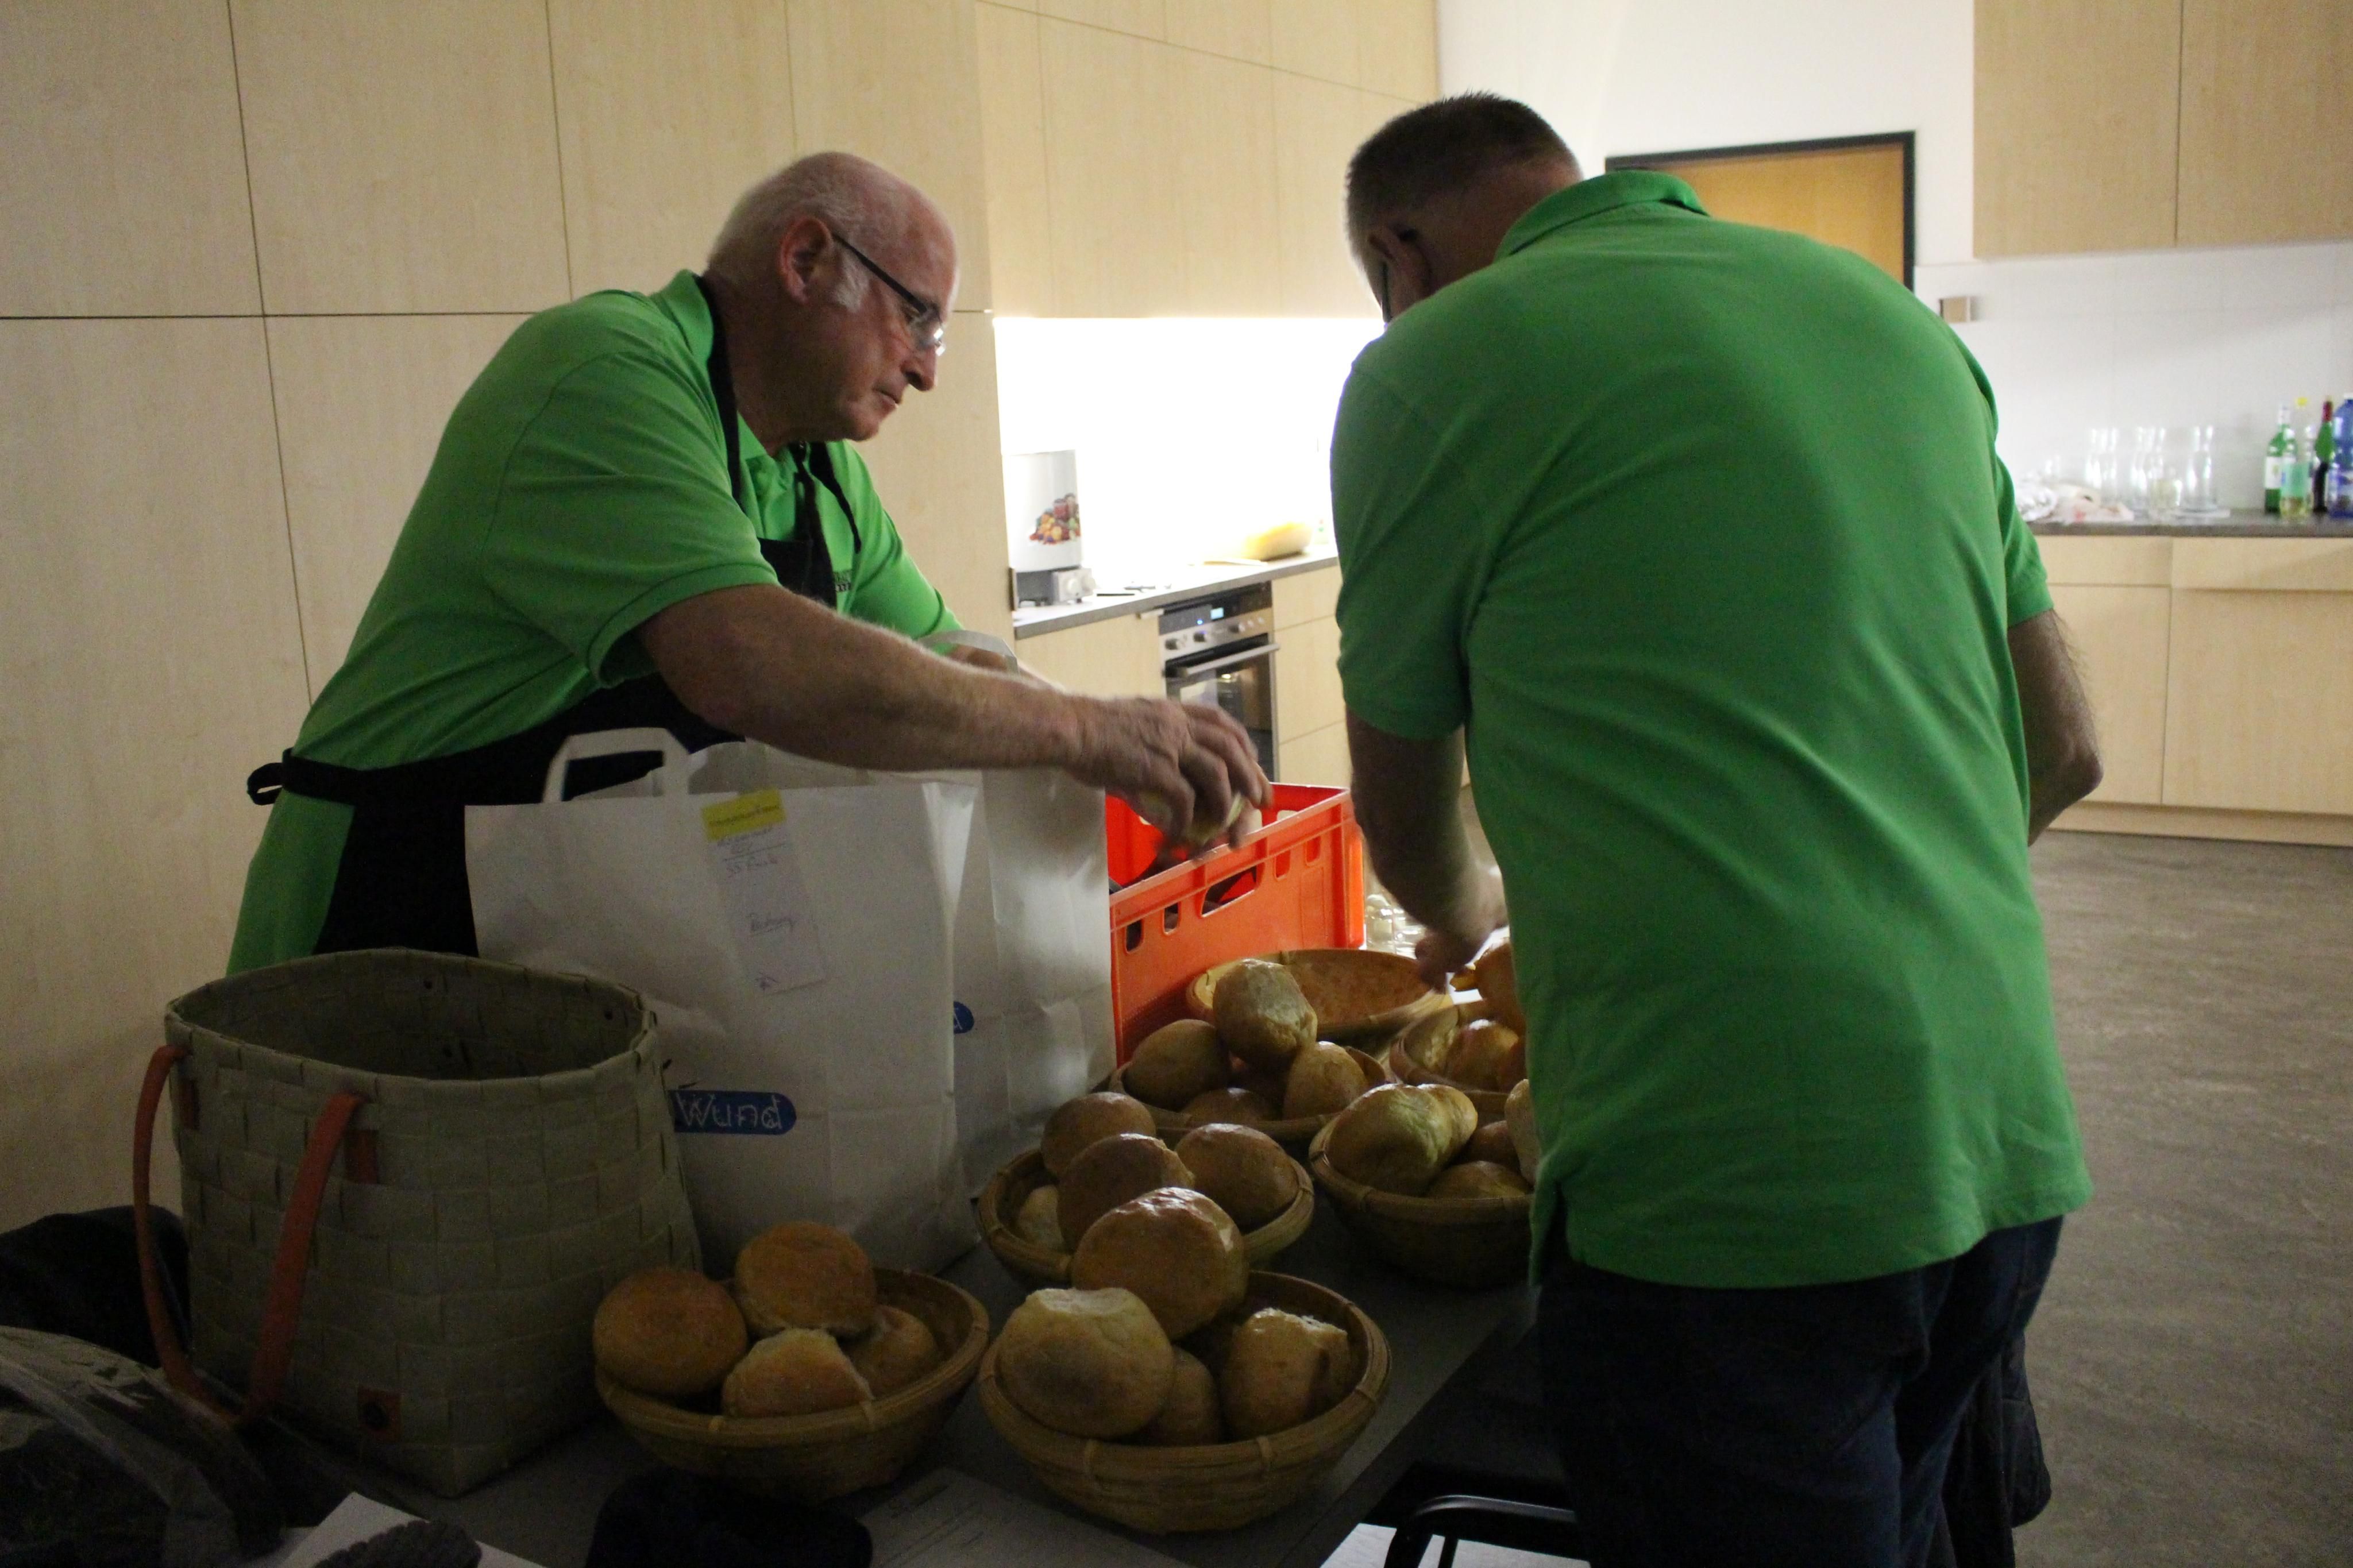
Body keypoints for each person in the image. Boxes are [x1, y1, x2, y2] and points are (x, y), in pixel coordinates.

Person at [1328, 96, 2100, 1567]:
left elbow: (1405, 818)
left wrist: (1465, 917)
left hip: (1720, 1186)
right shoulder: (1887, 322)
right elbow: (2063, 748)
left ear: (1395, 256)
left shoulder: (1428, 367)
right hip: (1994, 1131)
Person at [230, 153, 1262, 972]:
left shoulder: (818, 470)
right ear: (804, 260)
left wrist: (1126, 757)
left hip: (551, 933)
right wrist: (1083, 730)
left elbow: (948, 657)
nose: (927, 371)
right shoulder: (605, 370)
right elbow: (748, 660)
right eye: (918, 318)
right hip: (383, 929)